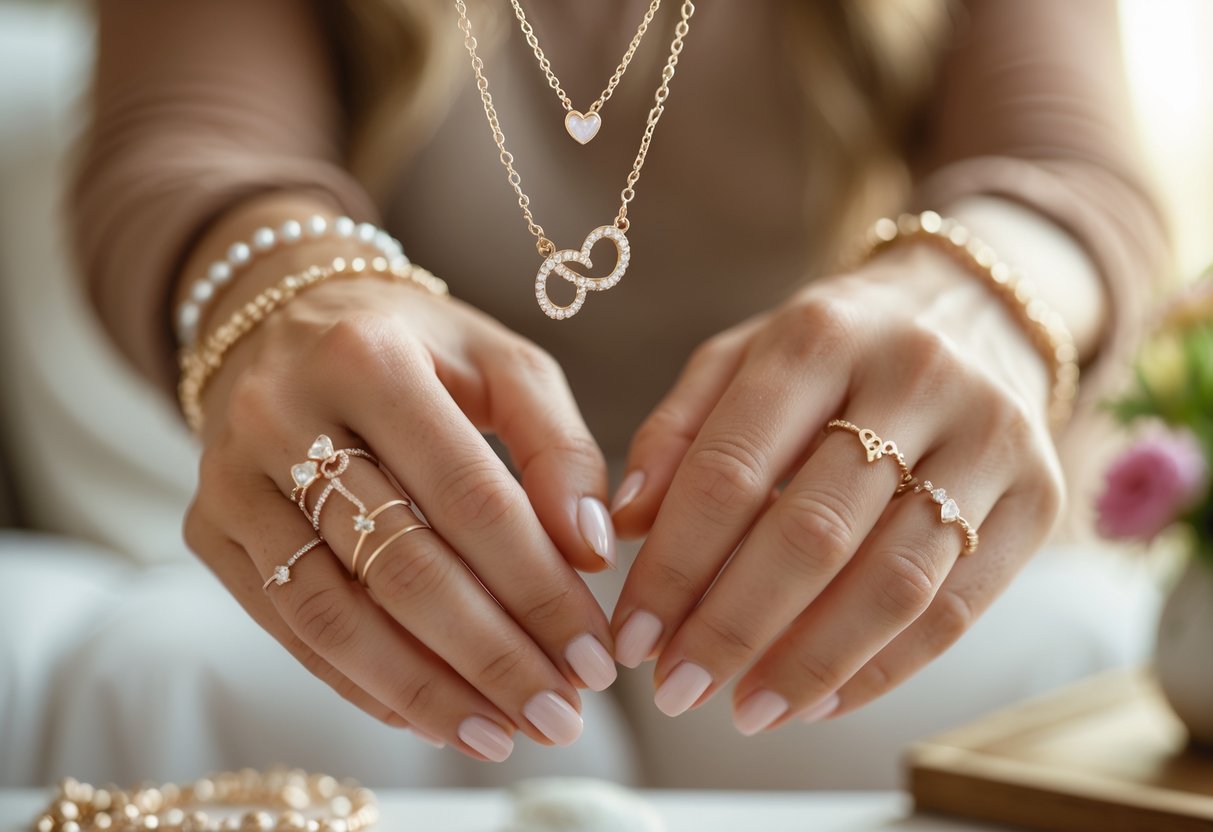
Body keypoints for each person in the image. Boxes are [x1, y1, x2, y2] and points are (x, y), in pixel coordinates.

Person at [71, 0, 1168, 776]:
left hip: (838, 548)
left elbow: (1073, 165)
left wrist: (978, 288)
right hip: (423, 564)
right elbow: (181, 149)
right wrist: (283, 292)